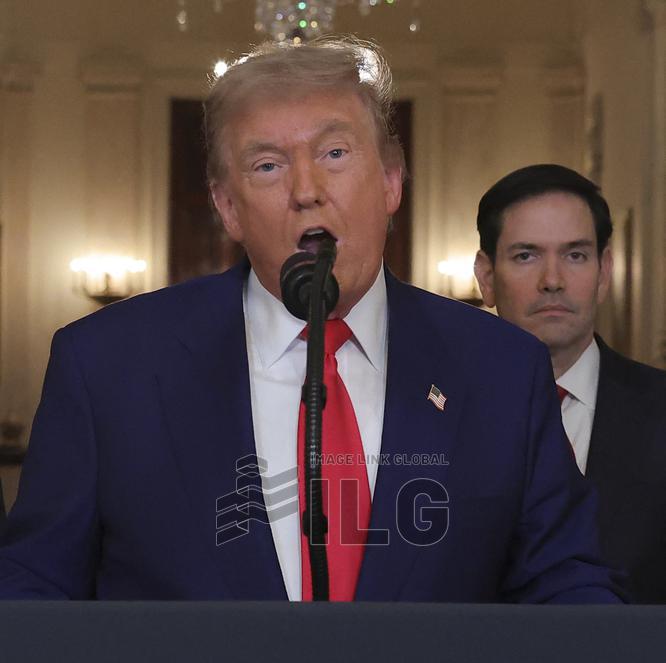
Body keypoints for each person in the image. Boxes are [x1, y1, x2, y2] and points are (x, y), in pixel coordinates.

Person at [0, 40, 620, 602]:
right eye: (268, 165)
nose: (306, 189)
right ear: (228, 207)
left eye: (335, 153)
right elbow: (34, 590)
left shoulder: (501, 368)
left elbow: (566, 585)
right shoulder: (106, 367)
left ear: (391, 182)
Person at [474, 163, 666, 602]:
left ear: (604, 272)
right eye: (526, 256)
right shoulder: (437, 415)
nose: (553, 281)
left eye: (575, 255)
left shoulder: (659, 411)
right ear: (487, 277)